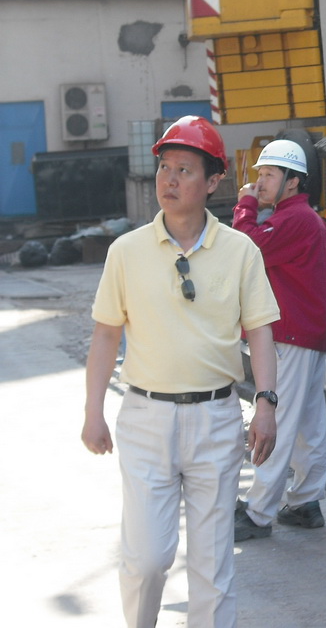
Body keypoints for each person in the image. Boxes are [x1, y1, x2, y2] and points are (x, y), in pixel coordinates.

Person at [80, 115, 280, 628]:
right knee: (146, 559)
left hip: (215, 418)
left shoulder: (239, 251)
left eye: (184, 170)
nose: (169, 180)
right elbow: (105, 335)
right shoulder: (126, 252)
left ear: (213, 182)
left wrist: (266, 402)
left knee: (213, 565)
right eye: (164, 168)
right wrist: (92, 412)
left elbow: (260, 331)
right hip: (146, 419)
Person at [231, 137, 326, 540]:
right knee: (308, 423)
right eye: (260, 174)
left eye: (270, 175)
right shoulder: (306, 219)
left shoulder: (293, 220)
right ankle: (305, 500)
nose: (260, 182)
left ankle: (258, 511)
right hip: (305, 334)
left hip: (289, 334)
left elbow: (244, 249)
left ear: (293, 181)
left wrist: (245, 205)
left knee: (277, 420)